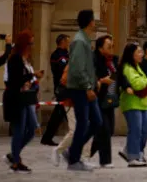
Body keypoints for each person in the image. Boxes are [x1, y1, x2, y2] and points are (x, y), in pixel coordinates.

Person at [63, 10, 100, 172]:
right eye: (94, 20)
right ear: (90, 22)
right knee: (83, 123)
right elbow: (78, 69)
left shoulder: (85, 39)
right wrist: (87, 87)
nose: (95, 22)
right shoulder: (79, 41)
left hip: (87, 88)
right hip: (80, 89)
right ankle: (74, 159)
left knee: (96, 122)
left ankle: (73, 152)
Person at [4, 30, 41, 172]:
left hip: (24, 98)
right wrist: (32, 75)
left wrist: (31, 79)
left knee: (31, 128)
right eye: (30, 42)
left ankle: (14, 154)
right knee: (19, 130)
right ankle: (16, 161)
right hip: (15, 99)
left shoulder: (24, 59)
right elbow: (15, 80)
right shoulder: (15, 59)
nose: (31, 45)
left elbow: (21, 79)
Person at [119, 41, 147, 167]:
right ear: (131, 55)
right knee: (135, 130)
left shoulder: (137, 67)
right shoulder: (127, 68)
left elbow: (141, 81)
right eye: (139, 52)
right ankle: (133, 157)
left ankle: (131, 150)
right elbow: (136, 83)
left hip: (142, 103)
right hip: (131, 103)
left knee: (146, 128)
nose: (141, 54)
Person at [87, 34, 117, 168]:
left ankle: (82, 153)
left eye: (112, 46)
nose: (111, 49)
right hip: (97, 98)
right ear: (100, 48)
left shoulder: (112, 60)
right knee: (103, 128)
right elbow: (90, 76)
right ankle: (105, 160)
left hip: (109, 98)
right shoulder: (94, 59)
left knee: (109, 130)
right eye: (108, 46)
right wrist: (101, 80)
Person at [40, 34, 70, 146]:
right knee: (64, 113)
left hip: (66, 88)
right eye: (67, 41)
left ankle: (47, 137)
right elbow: (63, 70)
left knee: (58, 114)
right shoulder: (58, 55)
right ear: (62, 41)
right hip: (62, 88)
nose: (68, 44)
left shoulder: (66, 55)